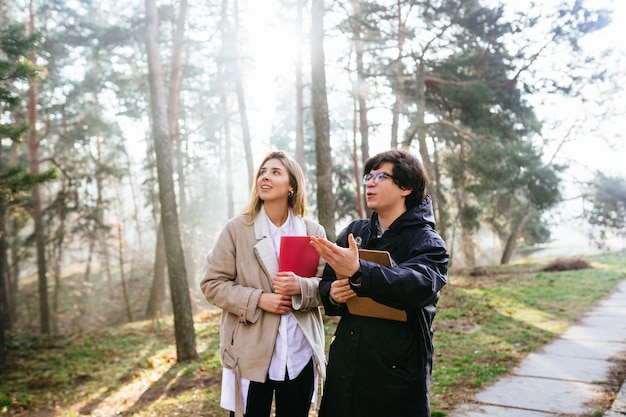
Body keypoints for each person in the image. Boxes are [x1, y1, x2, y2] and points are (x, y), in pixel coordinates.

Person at [310, 149, 449, 417]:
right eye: (369, 177)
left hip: (396, 375)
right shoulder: (355, 232)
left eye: (381, 176)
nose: (370, 183)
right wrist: (333, 294)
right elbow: (326, 283)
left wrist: (360, 270)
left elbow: (416, 286)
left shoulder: (428, 242)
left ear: (406, 187)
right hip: (346, 367)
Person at [199, 150, 327, 417]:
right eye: (262, 172)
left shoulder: (313, 232)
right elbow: (211, 283)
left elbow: (325, 287)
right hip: (250, 352)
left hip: (299, 351)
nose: (265, 177)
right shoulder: (236, 229)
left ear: (292, 185)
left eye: (275, 172)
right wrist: (258, 299)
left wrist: (300, 288)